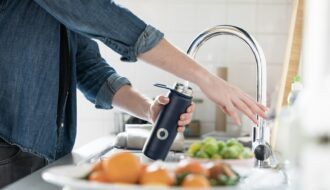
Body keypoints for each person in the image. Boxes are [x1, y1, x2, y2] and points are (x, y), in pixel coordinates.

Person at [0, 0, 267, 187]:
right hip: (7, 147)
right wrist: (205, 78)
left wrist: (148, 108)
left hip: (40, 152)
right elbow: (102, 17)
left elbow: (89, 68)